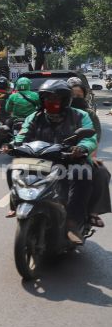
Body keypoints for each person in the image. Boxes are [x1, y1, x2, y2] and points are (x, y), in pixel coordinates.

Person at [4, 80, 98, 244]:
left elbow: (90, 138)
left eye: (56, 98)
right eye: (48, 98)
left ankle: (72, 223)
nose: (52, 102)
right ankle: (17, 203)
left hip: (70, 160)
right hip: (41, 160)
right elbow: (23, 134)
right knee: (12, 168)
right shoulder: (35, 116)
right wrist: (13, 145)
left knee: (81, 174)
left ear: (65, 100)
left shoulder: (79, 115)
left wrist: (81, 148)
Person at [67, 77, 110, 228]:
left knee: (101, 172)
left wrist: (91, 157)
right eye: (73, 95)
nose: (76, 99)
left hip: (81, 155)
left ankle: (93, 212)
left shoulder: (88, 115)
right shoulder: (56, 112)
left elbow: (94, 138)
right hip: (57, 155)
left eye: (79, 96)